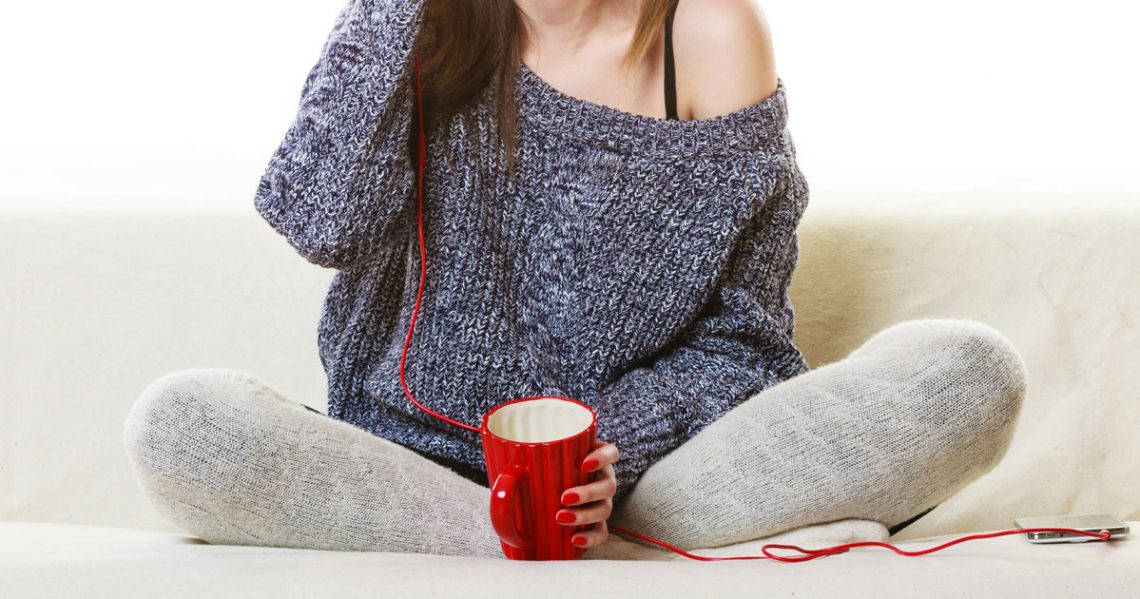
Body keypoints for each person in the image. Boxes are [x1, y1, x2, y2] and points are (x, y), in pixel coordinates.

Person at [122, 0, 1028, 559]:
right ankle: (502, 542)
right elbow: (317, 218)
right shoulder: (418, 22)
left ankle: (577, 540)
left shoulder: (707, 33)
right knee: (181, 424)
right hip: (407, 469)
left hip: (640, 479)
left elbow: (747, 342)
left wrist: (612, 452)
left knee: (965, 374)